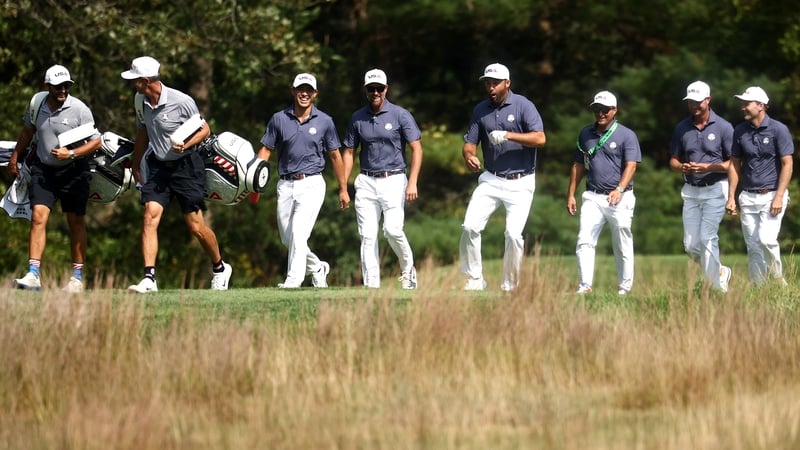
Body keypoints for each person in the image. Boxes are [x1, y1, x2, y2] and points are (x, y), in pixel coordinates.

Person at [121, 56, 232, 293]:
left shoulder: (182, 101)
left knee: (195, 226)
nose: (132, 84)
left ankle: (220, 267)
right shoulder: (140, 100)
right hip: (160, 167)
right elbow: (142, 132)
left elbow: (205, 129)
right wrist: (136, 162)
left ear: (146, 80)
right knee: (150, 216)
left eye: (135, 80)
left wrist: (187, 143)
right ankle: (149, 278)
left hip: (187, 166)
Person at [8, 65, 102, 293]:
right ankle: (33, 275)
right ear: (47, 86)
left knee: (75, 222)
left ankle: (77, 278)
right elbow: (27, 132)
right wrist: (15, 156)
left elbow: (96, 141)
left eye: (66, 86)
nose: (63, 90)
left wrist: (70, 154)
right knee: (38, 218)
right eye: (58, 86)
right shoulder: (37, 104)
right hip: (44, 171)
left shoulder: (79, 109)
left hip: (74, 171)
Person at [257, 73, 349, 288]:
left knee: (299, 232)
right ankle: (317, 267)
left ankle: (293, 280)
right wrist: (256, 180)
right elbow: (265, 150)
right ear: (293, 91)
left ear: (315, 93)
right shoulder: (279, 119)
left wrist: (343, 188)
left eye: (309, 90)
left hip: (312, 183)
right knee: (288, 239)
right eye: (300, 89)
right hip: (285, 184)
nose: (304, 93)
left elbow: (335, 155)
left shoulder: (325, 121)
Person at [460, 63, 546, 291]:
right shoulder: (480, 110)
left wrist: (509, 135)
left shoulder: (523, 106)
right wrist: (470, 156)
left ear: (507, 83)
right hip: (491, 178)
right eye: (487, 83)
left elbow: (540, 139)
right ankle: (475, 278)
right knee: (469, 226)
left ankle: (510, 284)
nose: (491, 87)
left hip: (522, 181)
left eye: (495, 83)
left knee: (513, 234)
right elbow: (469, 144)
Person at [342, 68, 422, 289]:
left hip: (394, 179)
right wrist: (343, 186)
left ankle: (408, 269)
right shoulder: (357, 117)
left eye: (379, 88)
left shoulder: (400, 115)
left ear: (386, 89)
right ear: (366, 90)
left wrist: (413, 181)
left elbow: (416, 148)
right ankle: (372, 286)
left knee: (392, 230)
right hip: (366, 181)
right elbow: (348, 152)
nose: (375, 92)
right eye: (371, 89)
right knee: (367, 236)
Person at [567, 91, 641, 295]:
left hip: (620, 197)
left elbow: (631, 165)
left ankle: (624, 287)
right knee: (584, 240)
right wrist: (571, 193)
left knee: (622, 242)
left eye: (605, 110)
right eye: (596, 109)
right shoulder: (585, 134)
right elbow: (578, 165)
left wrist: (619, 189)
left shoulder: (626, 135)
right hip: (592, 195)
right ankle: (585, 285)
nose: (600, 113)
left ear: (614, 111)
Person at [669, 81, 735, 292]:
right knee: (691, 246)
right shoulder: (682, 128)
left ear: (708, 100)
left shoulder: (724, 127)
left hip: (716, 189)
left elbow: (733, 164)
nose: (694, 106)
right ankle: (721, 272)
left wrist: (709, 166)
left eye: (698, 102)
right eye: (690, 102)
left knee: (707, 238)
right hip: (690, 191)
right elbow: (673, 161)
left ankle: (716, 289)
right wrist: (683, 167)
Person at [726, 86, 793, 285]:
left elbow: (787, 163)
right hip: (748, 196)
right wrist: (731, 197)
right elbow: (734, 165)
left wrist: (779, 196)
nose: (743, 108)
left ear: (761, 106)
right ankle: (759, 286)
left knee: (766, 240)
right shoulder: (739, 130)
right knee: (753, 245)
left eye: (747, 104)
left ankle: (778, 281)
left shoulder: (778, 130)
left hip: (772, 195)